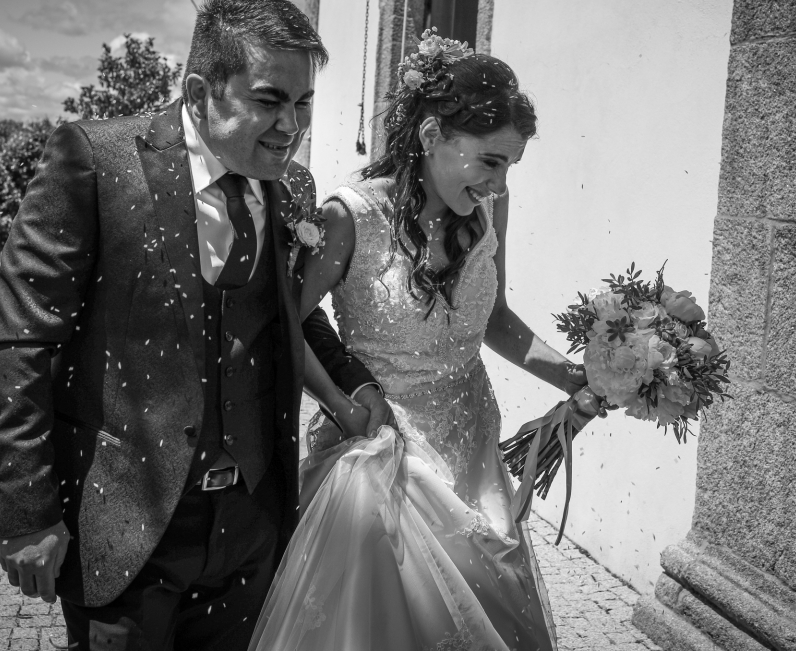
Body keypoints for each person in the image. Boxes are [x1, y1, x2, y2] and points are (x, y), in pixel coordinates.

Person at [0, 0, 391, 651]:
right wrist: (24, 507)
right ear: (200, 92)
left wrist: (353, 384)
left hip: (252, 528)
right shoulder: (98, 161)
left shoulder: (291, 188)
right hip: (126, 522)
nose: (291, 125)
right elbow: (18, 340)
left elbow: (287, 314)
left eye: (304, 102)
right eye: (269, 100)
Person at [249, 36, 595, 651]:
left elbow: (495, 319)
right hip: (384, 449)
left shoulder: (487, 213)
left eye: (510, 167)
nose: (499, 183)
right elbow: (286, 323)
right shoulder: (349, 216)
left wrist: (574, 377)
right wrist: (342, 403)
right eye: (491, 162)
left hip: (471, 442)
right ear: (433, 135)